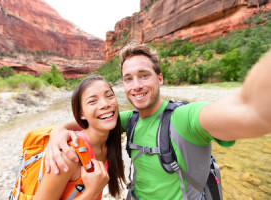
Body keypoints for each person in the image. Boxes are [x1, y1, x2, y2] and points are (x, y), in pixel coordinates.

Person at [45, 43, 271, 199]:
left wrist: (256, 107)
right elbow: (91, 121)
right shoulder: (129, 119)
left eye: (144, 75)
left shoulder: (184, 118)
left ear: (160, 78)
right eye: (128, 79)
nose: (136, 86)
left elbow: (244, 111)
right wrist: (58, 131)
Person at [19, 75, 125, 200]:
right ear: (81, 114)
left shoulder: (109, 144)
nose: (105, 104)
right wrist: (91, 192)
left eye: (109, 96)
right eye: (92, 101)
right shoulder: (69, 156)